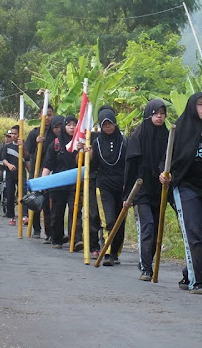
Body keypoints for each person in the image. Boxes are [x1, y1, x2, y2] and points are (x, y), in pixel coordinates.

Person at [161, 93, 202, 294]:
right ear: (192, 107)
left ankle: (190, 272)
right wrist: (164, 174)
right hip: (185, 186)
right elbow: (166, 159)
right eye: (200, 104)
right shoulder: (180, 131)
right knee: (194, 233)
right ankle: (197, 282)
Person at [124, 99, 169, 282]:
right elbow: (130, 167)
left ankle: (147, 261)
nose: (159, 116)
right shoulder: (138, 136)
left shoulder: (168, 136)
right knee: (148, 226)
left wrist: (165, 174)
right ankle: (146, 268)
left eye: (162, 113)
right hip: (141, 187)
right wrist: (128, 194)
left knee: (157, 228)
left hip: (160, 188)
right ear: (149, 114)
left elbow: (169, 160)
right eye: (155, 113)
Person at [90, 108, 127, 266]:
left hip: (122, 186)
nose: (108, 127)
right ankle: (106, 251)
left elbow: (129, 163)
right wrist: (88, 155)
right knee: (108, 220)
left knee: (120, 221)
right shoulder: (96, 143)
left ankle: (115, 252)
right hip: (104, 185)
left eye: (110, 123)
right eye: (104, 124)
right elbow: (92, 166)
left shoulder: (125, 141)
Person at [41, 115, 83, 250]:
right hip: (58, 184)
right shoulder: (55, 144)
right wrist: (42, 183)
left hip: (74, 184)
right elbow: (48, 165)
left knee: (75, 211)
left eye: (74, 124)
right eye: (69, 124)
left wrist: (82, 150)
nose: (72, 127)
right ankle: (57, 238)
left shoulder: (80, 144)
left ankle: (76, 240)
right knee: (57, 213)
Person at [24, 104, 56, 239]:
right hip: (36, 171)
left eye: (49, 115)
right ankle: (36, 228)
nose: (47, 118)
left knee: (49, 203)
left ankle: (49, 232)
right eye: (45, 115)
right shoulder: (34, 132)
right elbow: (26, 153)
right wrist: (37, 143)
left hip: (50, 172)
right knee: (36, 201)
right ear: (39, 116)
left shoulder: (55, 132)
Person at [1, 125, 23, 226]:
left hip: (21, 174)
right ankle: (11, 217)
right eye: (12, 134)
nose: (13, 136)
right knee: (10, 195)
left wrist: (22, 146)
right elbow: (4, 159)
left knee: (22, 195)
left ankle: (24, 216)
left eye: (15, 134)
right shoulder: (7, 146)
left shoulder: (23, 146)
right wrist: (9, 165)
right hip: (10, 174)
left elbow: (28, 157)